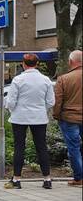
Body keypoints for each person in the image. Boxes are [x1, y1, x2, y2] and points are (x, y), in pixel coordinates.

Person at [5, 53, 54, 190]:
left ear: (23, 64)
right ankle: (47, 179)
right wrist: (40, 109)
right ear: (37, 64)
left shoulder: (18, 80)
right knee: (41, 147)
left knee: (19, 147)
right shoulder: (45, 80)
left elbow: (11, 101)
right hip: (39, 117)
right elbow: (50, 102)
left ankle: (17, 179)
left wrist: (13, 110)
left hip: (19, 117)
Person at [53, 49, 82, 187]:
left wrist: (57, 115)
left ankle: (79, 178)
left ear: (71, 62)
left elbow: (58, 101)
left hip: (69, 118)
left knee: (74, 148)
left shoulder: (63, 79)